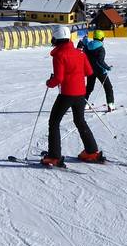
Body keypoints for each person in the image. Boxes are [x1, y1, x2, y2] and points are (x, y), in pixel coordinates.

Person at [42, 25, 102, 167]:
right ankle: (91, 151)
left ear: (56, 38)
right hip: (80, 94)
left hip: (67, 94)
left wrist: (50, 83)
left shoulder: (59, 55)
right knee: (80, 121)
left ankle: (54, 156)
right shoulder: (80, 53)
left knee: (54, 122)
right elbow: (89, 72)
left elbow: (59, 78)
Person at [80, 30, 115, 110]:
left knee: (89, 88)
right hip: (100, 71)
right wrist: (107, 67)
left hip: (90, 70)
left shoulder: (87, 46)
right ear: (102, 38)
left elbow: (85, 43)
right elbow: (100, 61)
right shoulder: (101, 48)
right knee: (108, 87)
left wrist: (85, 39)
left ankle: (84, 104)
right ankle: (110, 104)